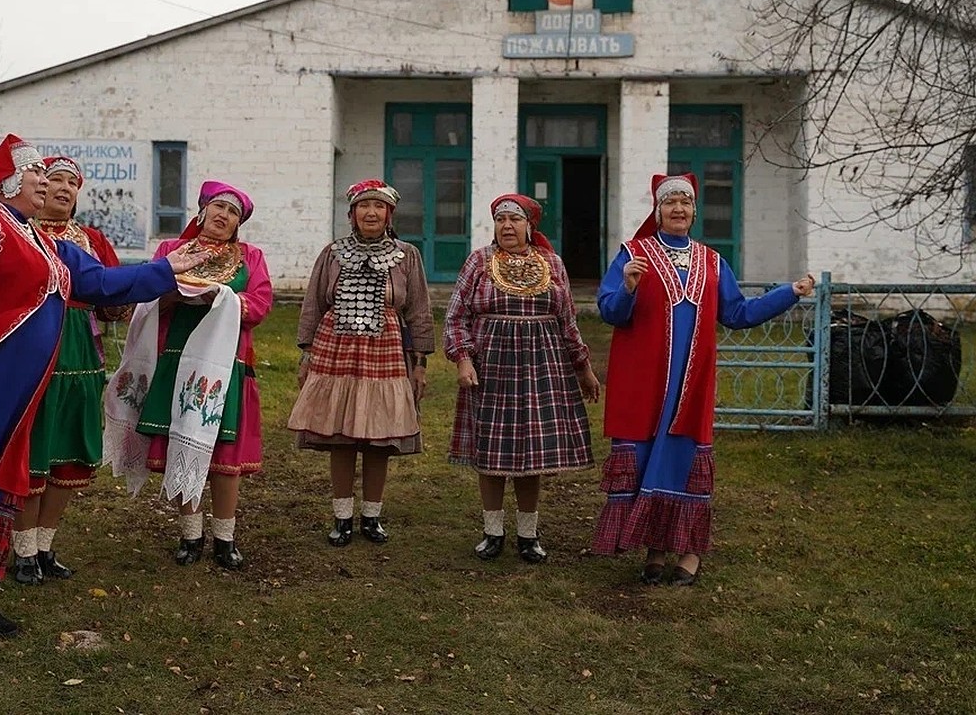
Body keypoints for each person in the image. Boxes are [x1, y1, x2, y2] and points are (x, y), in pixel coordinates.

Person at [0, 134, 209, 644]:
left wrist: (166, 270)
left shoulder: (47, 242)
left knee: (1, 483)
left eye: (48, 177)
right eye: (36, 175)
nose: (45, 181)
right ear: (8, 184)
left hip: (18, 395)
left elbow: (100, 283)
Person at [592, 173, 816, 586]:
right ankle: (656, 549)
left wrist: (790, 292)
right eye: (670, 202)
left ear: (694, 211)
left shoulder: (713, 262)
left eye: (686, 202)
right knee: (646, 459)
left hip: (690, 385)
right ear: (657, 211)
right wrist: (626, 288)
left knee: (682, 457)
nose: (678, 209)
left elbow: (737, 314)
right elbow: (611, 312)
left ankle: (690, 551)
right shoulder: (632, 254)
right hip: (644, 384)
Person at [108, 181, 272, 570]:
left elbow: (262, 303)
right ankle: (191, 534)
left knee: (223, 452)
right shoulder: (171, 251)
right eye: (217, 207)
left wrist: (224, 299)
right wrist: (174, 295)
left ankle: (225, 539)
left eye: (232, 212)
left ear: (238, 224)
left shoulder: (251, 257)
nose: (223, 216)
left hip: (226, 365)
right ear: (201, 211)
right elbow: (149, 295)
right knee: (183, 441)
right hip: (176, 358)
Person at [443, 193, 600, 564]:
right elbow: (455, 316)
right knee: (492, 452)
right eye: (500, 220)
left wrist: (584, 368)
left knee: (532, 453)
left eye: (515, 220)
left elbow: (568, 322)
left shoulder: (551, 262)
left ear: (530, 225)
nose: (507, 226)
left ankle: (528, 535)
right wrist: (464, 359)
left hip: (542, 367)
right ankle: (493, 532)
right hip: (491, 367)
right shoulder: (479, 261)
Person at [287, 179, 433, 547]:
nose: (371, 212)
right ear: (352, 214)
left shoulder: (407, 256)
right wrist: (306, 354)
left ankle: (371, 516)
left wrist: (420, 362)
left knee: (378, 437)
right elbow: (313, 305)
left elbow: (418, 309)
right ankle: (342, 517)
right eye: (364, 206)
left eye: (379, 207)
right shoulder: (332, 253)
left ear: (389, 214)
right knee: (341, 436)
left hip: (385, 351)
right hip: (335, 350)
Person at [10, 156, 130, 586]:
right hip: (33, 347)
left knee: (72, 451)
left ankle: (44, 547)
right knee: (33, 447)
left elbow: (114, 299)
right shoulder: (19, 232)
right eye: (54, 179)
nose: (63, 188)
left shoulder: (93, 239)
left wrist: (122, 300)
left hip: (81, 354)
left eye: (72, 183)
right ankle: (21, 551)